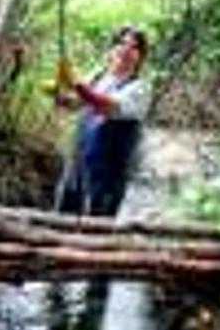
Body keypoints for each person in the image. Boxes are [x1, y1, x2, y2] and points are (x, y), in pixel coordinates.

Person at [54, 26, 151, 217]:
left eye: (133, 47)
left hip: (107, 176)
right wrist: (59, 94)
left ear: (140, 56)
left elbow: (108, 106)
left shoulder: (140, 88)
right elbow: (77, 103)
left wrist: (75, 83)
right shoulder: (98, 75)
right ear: (112, 48)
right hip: (78, 165)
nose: (125, 50)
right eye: (121, 43)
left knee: (95, 228)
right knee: (62, 217)